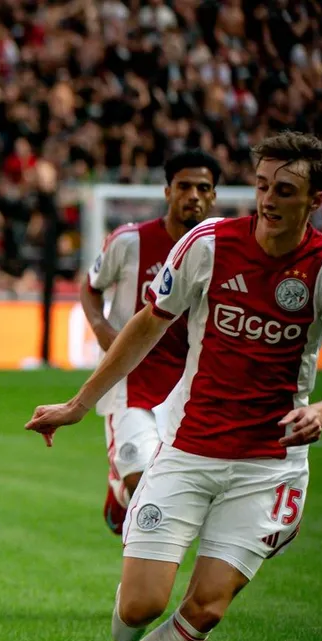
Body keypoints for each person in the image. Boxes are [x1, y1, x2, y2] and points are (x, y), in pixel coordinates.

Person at [26, 130, 322, 641]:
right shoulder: (209, 245)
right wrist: (78, 404)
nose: (269, 200)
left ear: (316, 199)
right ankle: (131, 567)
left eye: (286, 190)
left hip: (268, 466)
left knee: (207, 607)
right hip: (189, 446)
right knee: (138, 611)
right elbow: (144, 326)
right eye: (264, 185)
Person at [81, 151, 220, 535]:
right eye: (184, 186)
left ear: (214, 196)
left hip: (191, 387)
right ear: (167, 191)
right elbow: (90, 287)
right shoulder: (129, 242)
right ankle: (126, 490)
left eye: (203, 188)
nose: (193, 195)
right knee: (145, 489)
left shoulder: (223, 251)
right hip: (131, 384)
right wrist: (100, 328)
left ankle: (122, 498)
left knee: (176, 494)